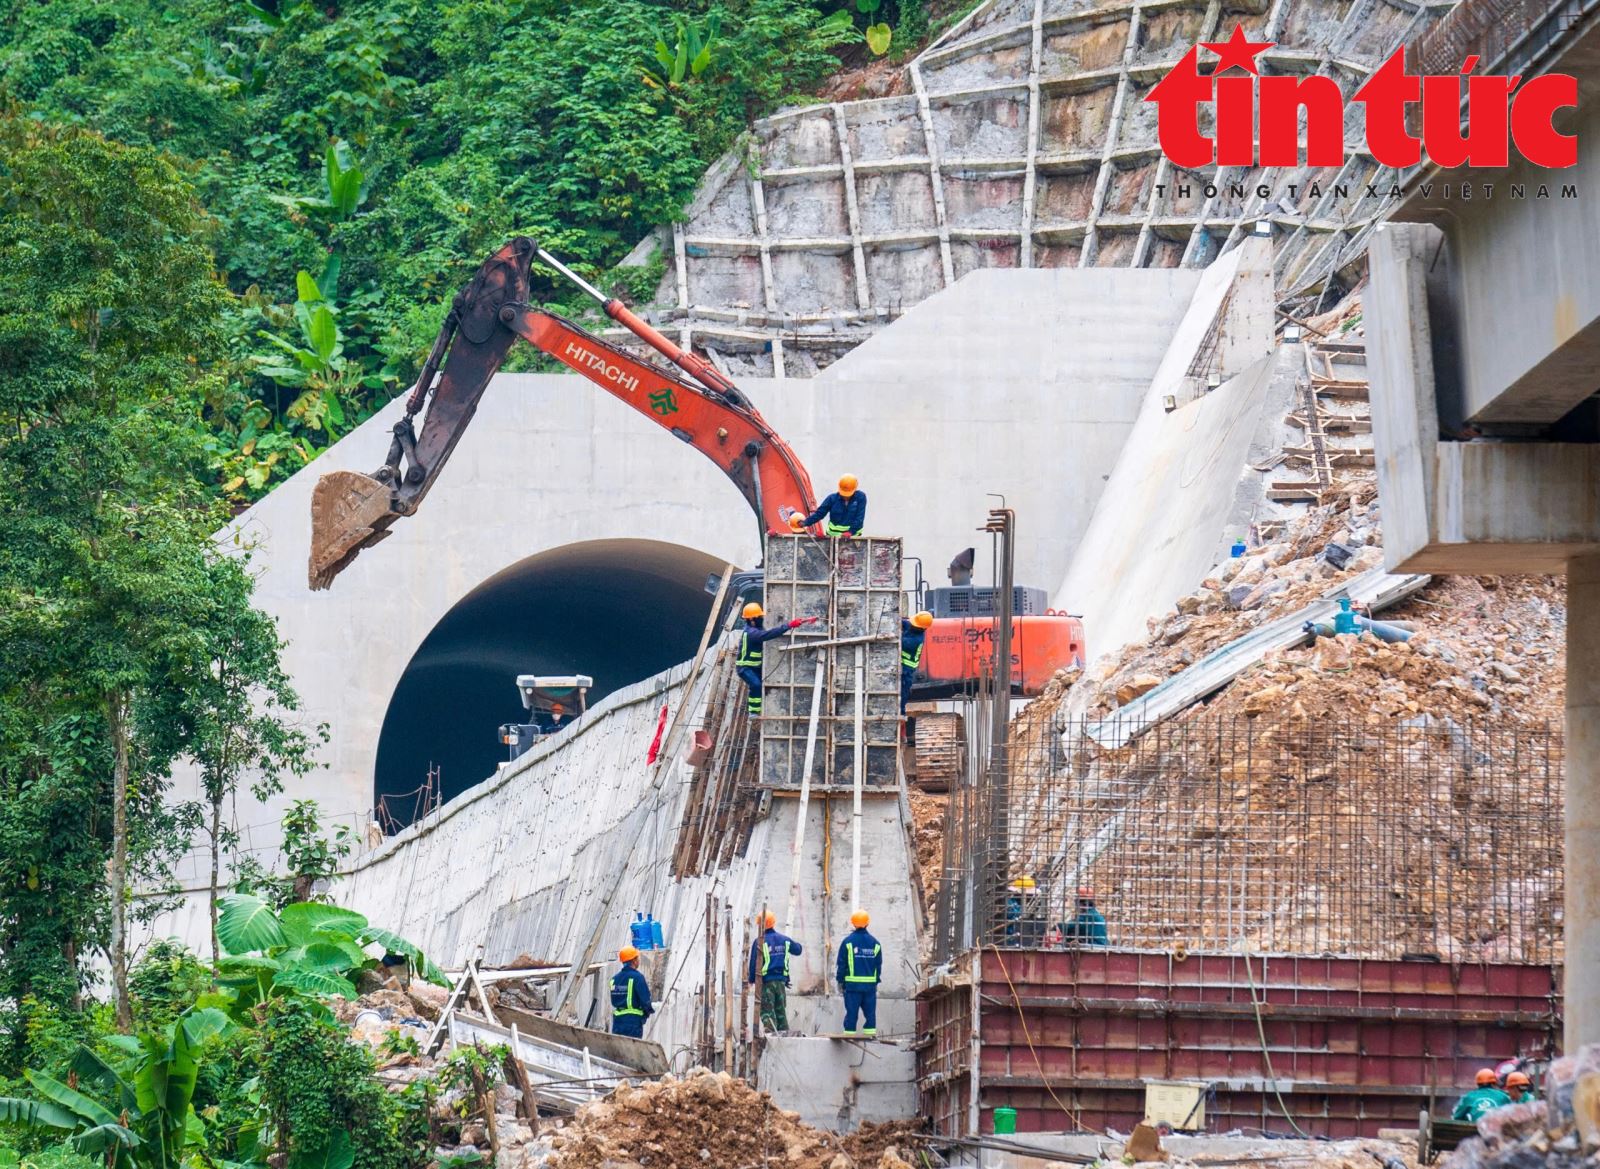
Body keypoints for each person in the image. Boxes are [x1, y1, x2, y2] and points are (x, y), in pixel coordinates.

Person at [736, 602, 817, 716]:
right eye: (760, 617)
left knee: (760, 686)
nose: (762, 619)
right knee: (756, 685)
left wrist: (797, 623)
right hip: (745, 668)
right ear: (752, 619)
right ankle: (753, 712)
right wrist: (789, 626)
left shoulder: (753, 629)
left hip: (754, 667)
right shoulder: (751, 633)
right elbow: (769, 634)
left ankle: (758, 710)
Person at [747, 912, 803, 1033]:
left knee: (767, 1011)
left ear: (760, 925)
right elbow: (798, 950)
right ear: (773, 923)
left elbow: (753, 963)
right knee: (780, 1010)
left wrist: (751, 980)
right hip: (781, 982)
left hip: (767, 983)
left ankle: (771, 1037)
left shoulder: (759, 942)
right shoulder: (785, 940)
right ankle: (784, 1035)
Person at [836, 910, 883, 1037]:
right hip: (869, 987)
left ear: (853, 924)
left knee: (851, 1013)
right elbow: (878, 965)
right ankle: (870, 1035)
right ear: (868, 923)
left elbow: (841, 964)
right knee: (870, 1013)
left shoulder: (848, 942)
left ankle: (849, 1036)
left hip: (852, 986)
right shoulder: (875, 943)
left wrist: (840, 981)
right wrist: (876, 981)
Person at [791, 475, 867, 538]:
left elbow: (859, 518)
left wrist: (851, 532)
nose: (846, 496)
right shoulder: (832, 499)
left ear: (855, 489)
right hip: (832, 536)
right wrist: (805, 522)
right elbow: (819, 514)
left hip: (853, 536)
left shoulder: (860, 498)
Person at [610, 946, 653, 1038]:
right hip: (632, 1023)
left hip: (617, 1022)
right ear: (633, 961)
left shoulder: (614, 979)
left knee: (619, 1049)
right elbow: (645, 1001)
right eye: (637, 958)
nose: (638, 960)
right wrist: (647, 1013)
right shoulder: (637, 977)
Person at [901, 611, 933, 713]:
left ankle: (900, 712)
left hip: (907, 668)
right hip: (904, 666)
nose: (911, 624)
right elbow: (906, 623)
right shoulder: (915, 628)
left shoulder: (915, 640)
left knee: (903, 693)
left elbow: (897, 641)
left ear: (921, 628)